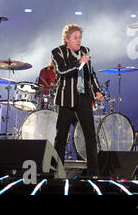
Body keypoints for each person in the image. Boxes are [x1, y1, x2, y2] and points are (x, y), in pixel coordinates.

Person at [51, 24, 104, 177]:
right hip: (66, 98)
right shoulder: (58, 52)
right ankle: (57, 172)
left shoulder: (85, 51)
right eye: (75, 37)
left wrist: (97, 90)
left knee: (90, 136)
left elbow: (90, 74)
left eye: (80, 37)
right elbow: (62, 70)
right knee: (61, 137)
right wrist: (79, 62)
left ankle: (94, 172)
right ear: (67, 39)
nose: (78, 40)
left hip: (83, 98)